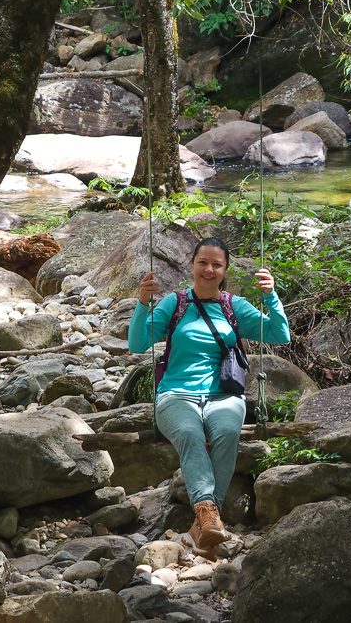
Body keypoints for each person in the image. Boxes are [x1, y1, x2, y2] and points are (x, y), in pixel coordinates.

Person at [129, 237, 290, 559]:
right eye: (203, 262)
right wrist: (142, 303)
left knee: (227, 433)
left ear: (225, 269)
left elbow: (279, 334)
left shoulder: (234, 306)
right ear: (192, 265)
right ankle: (208, 516)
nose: (209, 269)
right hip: (176, 394)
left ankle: (203, 520)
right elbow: (136, 344)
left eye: (217, 264)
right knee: (189, 433)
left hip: (223, 395)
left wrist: (270, 296)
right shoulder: (174, 304)